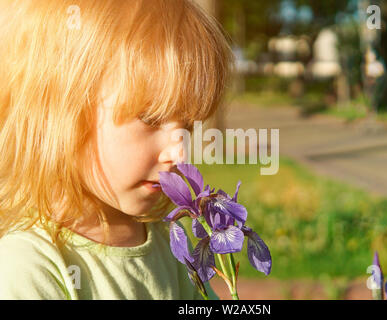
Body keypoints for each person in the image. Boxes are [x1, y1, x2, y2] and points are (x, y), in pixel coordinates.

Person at [0, 0, 233, 299]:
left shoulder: (169, 244)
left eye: (187, 127)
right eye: (151, 118)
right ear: (63, 113)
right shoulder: (29, 267)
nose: (180, 155)